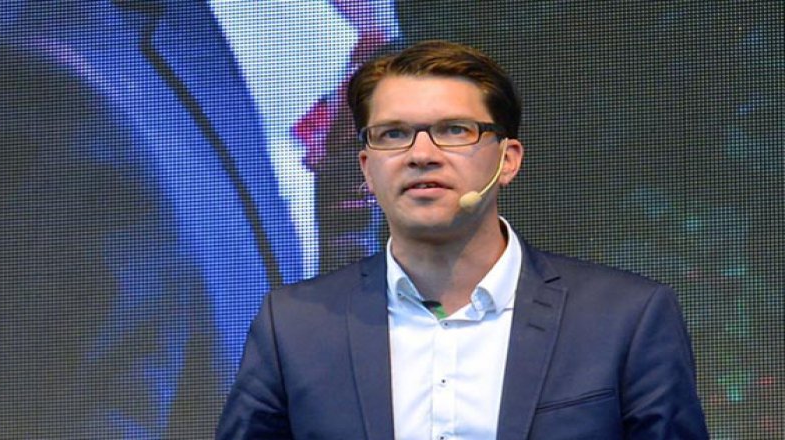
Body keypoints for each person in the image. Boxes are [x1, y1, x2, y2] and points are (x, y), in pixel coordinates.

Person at [216, 40, 708, 439]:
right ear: (366, 169)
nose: (421, 154)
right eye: (393, 134)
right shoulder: (294, 325)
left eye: (454, 130)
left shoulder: (626, 317)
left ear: (508, 160)